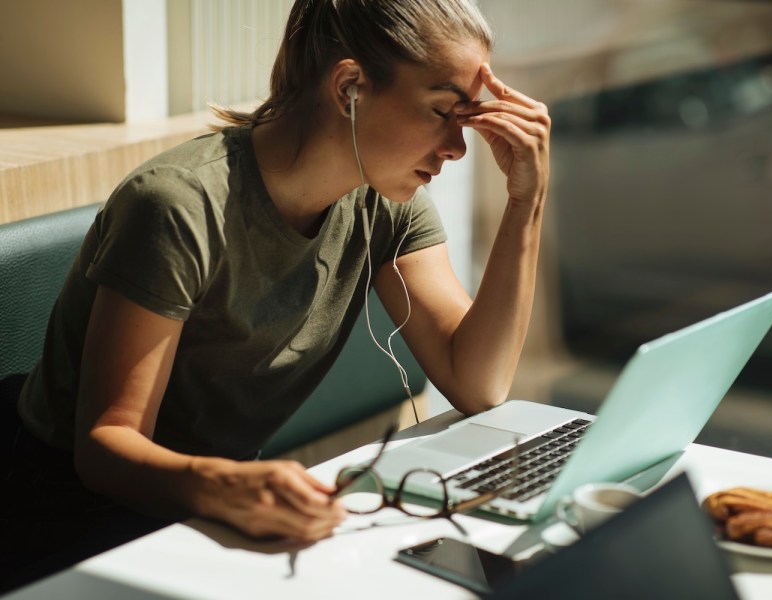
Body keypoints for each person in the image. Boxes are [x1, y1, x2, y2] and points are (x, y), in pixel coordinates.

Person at [2, 0, 550, 590]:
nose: (457, 148)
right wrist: (232, 487)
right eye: (442, 111)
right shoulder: (179, 206)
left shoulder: (385, 203)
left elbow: (478, 382)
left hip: (206, 515)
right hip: (64, 525)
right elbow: (105, 450)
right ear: (349, 88)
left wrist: (526, 205)